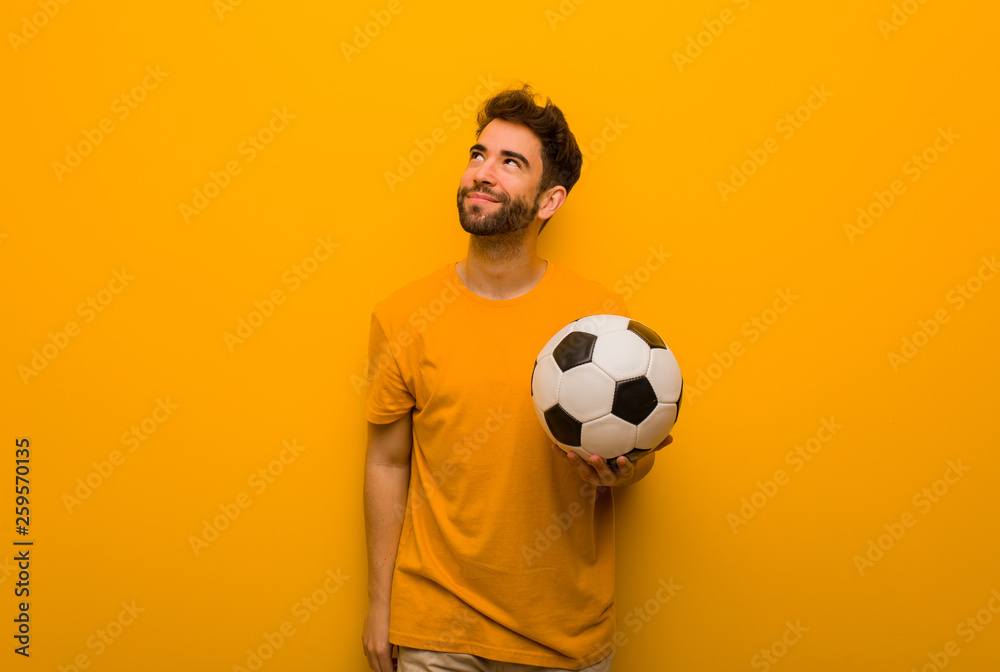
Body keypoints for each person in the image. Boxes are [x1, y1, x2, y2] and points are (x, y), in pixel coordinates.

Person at [362, 83, 671, 672]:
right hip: (437, 635)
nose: (483, 172)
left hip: (563, 636)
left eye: (510, 162)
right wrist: (381, 607)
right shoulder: (403, 317)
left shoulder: (602, 324)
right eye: (479, 154)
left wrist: (625, 469)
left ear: (549, 201)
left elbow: (644, 454)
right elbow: (386, 462)